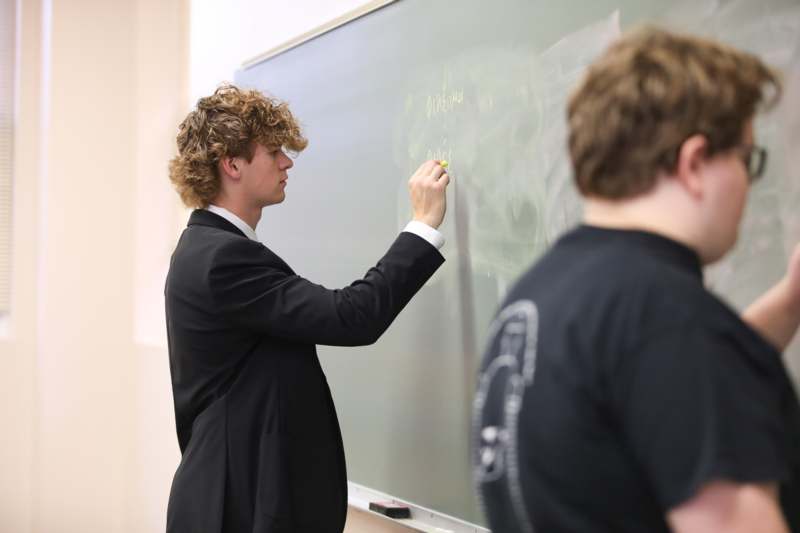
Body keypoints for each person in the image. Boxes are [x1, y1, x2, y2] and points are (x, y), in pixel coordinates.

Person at [473, 27, 800, 532]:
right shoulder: (672, 321)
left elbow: (663, 388)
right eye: (746, 158)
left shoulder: (539, 296)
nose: (747, 182)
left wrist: (791, 301)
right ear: (694, 164)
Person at [164, 84, 449, 532]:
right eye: (274, 151)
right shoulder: (222, 258)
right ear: (232, 163)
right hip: (238, 509)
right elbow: (352, 316)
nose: (287, 162)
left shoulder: (210, 248)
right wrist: (423, 226)